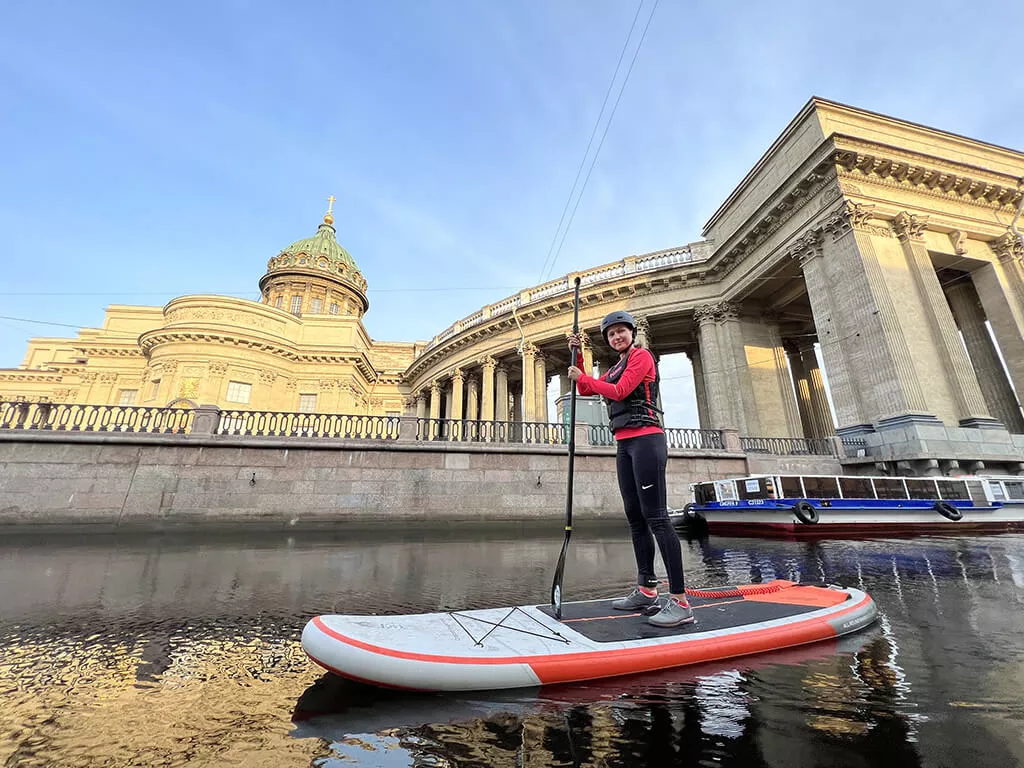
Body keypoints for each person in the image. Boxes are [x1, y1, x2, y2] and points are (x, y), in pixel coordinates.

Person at [567, 310, 694, 628]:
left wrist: (581, 376)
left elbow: (620, 392)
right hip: (624, 444)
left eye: (621, 331)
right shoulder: (614, 367)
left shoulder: (641, 357)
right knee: (635, 519)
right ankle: (647, 589)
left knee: (658, 519)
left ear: (632, 333)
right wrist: (579, 359)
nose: (616, 337)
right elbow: (588, 389)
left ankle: (679, 601)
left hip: (647, 440)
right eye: (611, 334)